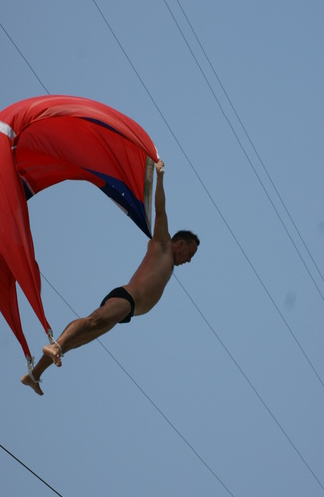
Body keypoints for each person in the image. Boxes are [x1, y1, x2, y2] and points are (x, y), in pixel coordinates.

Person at [21, 160, 199, 395]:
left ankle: (35, 375)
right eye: (191, 252)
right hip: (126, 298)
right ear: (180, 243)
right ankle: (55, 345)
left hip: (129, 311)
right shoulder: (163, 244)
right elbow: (160, 209)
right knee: (93, 321)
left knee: (79, 340)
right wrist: (160, 177)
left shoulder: (167, 259)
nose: (190, 259)